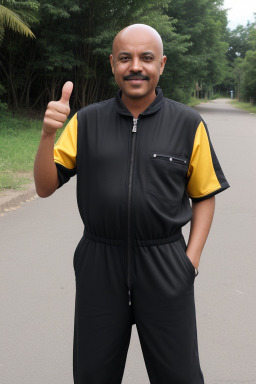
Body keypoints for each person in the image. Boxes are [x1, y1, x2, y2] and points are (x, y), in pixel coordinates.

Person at [34, 24, 229, 384]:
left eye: (146, 58)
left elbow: (204, 196)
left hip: (165, 262)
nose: (135, 66)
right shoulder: (86, 122)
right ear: (113, 64)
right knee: (93, 374)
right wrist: (48, 135)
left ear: (162, 65)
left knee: (180, 375)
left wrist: (191, 261)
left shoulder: (187, 123)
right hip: (99, 262)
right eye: (125, 58)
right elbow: (45, 187)